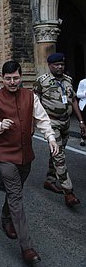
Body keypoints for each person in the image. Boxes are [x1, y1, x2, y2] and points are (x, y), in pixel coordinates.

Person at [0, 60, 58, 264]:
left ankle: (6, 217)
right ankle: (27, 248)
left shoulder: (30, 96)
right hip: (4, 155)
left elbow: (42, 119)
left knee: (15, 192)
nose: (12, 82)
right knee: (16, 195)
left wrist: (50, 137)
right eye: (8, 79)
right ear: (3, 79)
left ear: (21, 77)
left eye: (15, 78)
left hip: (26, 154)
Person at [33, 53, 85, 207]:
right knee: (59, 156)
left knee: (57, 151)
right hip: (51, 122)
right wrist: (35, 122)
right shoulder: (42, 81)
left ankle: (50, 180)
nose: (59, 67)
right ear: (49, 65)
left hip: (66, 122)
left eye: (61, 64)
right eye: (56, 65)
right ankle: (68, 191)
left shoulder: (68, 81)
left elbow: (73, 100)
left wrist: (81, 121)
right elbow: (34, 102)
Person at [76, 77, 86, 146]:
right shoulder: (83, 82)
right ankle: (83, 138)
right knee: (84, 123)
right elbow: (78, 94)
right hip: (84, 105)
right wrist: (85, 94)